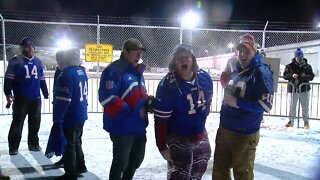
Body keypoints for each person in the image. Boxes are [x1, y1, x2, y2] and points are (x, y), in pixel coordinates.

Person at [212, 33, 274, 180]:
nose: (242, 54)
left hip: (244, 133)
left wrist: (237, 103)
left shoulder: (260, 72)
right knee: (219, 172)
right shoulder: (237, 70)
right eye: (240, 51)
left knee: (242, 175)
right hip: (225, 129)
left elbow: (266, 105)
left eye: (246, 50)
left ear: (254, 51)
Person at [153, 44, 213, 179]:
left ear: (193, 59)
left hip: (198, 130)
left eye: (187, 57)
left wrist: (199, 122)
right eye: (179, 58)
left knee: (202, 159)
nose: (183, 60)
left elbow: (207, 103)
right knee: (181, 168)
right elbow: (161, 120)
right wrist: (162, 146)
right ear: (174, 62)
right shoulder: (167, 86)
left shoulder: (205, 78)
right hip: (177, 133)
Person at [98, 38, 150, 180]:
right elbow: (106, 97)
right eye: (135, 50)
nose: (139, 53)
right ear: (125, 52)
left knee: (136, 161)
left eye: (141, 50)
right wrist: (130, 110)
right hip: (121, 126)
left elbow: (140, 94)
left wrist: (148, 102)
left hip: (138, 125)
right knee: (121, 162)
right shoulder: (113, 70)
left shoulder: (137, 71)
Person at [4, 37, 49, 155]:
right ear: (22, 48)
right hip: (21, 98)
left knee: (35, 123)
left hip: (35, 98)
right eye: (26, 47)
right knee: (17, 123)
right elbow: (8, 80)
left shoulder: (38, 61)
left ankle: (33, 144)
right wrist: (8, 93)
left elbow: (41, 78)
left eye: (31, 47)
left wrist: (45, 92)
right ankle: (13, 147)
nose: (29, 49)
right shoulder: (15, 61)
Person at [53, 48, 88, 179]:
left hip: (71, 114)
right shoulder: (81, 71)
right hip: (81, 112)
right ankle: (81, 165)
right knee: (77, 140)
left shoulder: (65, 75)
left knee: (69, 143)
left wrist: (59, 118)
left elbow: (64, 100)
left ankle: (70, 172)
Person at [283, 48, 314, 129]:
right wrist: (292, 75)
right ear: (295, 57)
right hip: (293, 89)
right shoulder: (289, 66)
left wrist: (304, 77)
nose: (299, 60)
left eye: (301, 58)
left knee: (305, 106)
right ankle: (291, 120)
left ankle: (306, 121)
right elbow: (285, 76)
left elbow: (311, 76)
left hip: (304, 88)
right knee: (292, 106)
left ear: (303, 57)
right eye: (298, 58)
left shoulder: (307, 66)